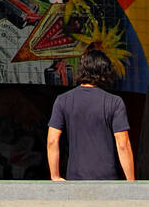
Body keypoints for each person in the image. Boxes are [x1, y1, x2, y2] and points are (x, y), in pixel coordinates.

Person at [47, 49, 135, 182]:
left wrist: (55, 176)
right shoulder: (114, 102)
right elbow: (122, 144)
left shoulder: (62, 100)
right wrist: (131, 182)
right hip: (107, 179)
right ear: (104, 72)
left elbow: (52, 141)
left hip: (75, 179)